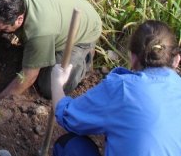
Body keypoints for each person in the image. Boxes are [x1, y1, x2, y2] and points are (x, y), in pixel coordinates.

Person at [51, 20, 181, 156]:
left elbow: (68, 117)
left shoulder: (123, 89)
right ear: (176, 60)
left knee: (70, 145)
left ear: (133, 58)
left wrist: (57, 83)